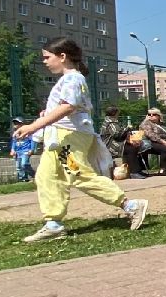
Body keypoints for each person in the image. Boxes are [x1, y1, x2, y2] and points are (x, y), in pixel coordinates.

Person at [13, 37, 148, 243]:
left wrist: (33, 126)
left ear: (63, 56)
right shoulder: (70, 79)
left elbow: (68, 106)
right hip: (63, 137)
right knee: (47, 177)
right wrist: (46, 115)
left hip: (67, 137)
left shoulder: (72, 79)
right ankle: (53, 224)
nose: (44, 61)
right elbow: (67, 107)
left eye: (47, 57)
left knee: (78, 175)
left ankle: (130, 205)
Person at [98, 105, 147, 179]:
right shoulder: (111, 123)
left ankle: (138, 170)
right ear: (115, 113)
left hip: (116, 143)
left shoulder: (110, 121)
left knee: (135, 146)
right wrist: (127, 129)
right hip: (111, 145)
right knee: (131, 149)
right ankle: (134, 172)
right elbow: (117, 135)